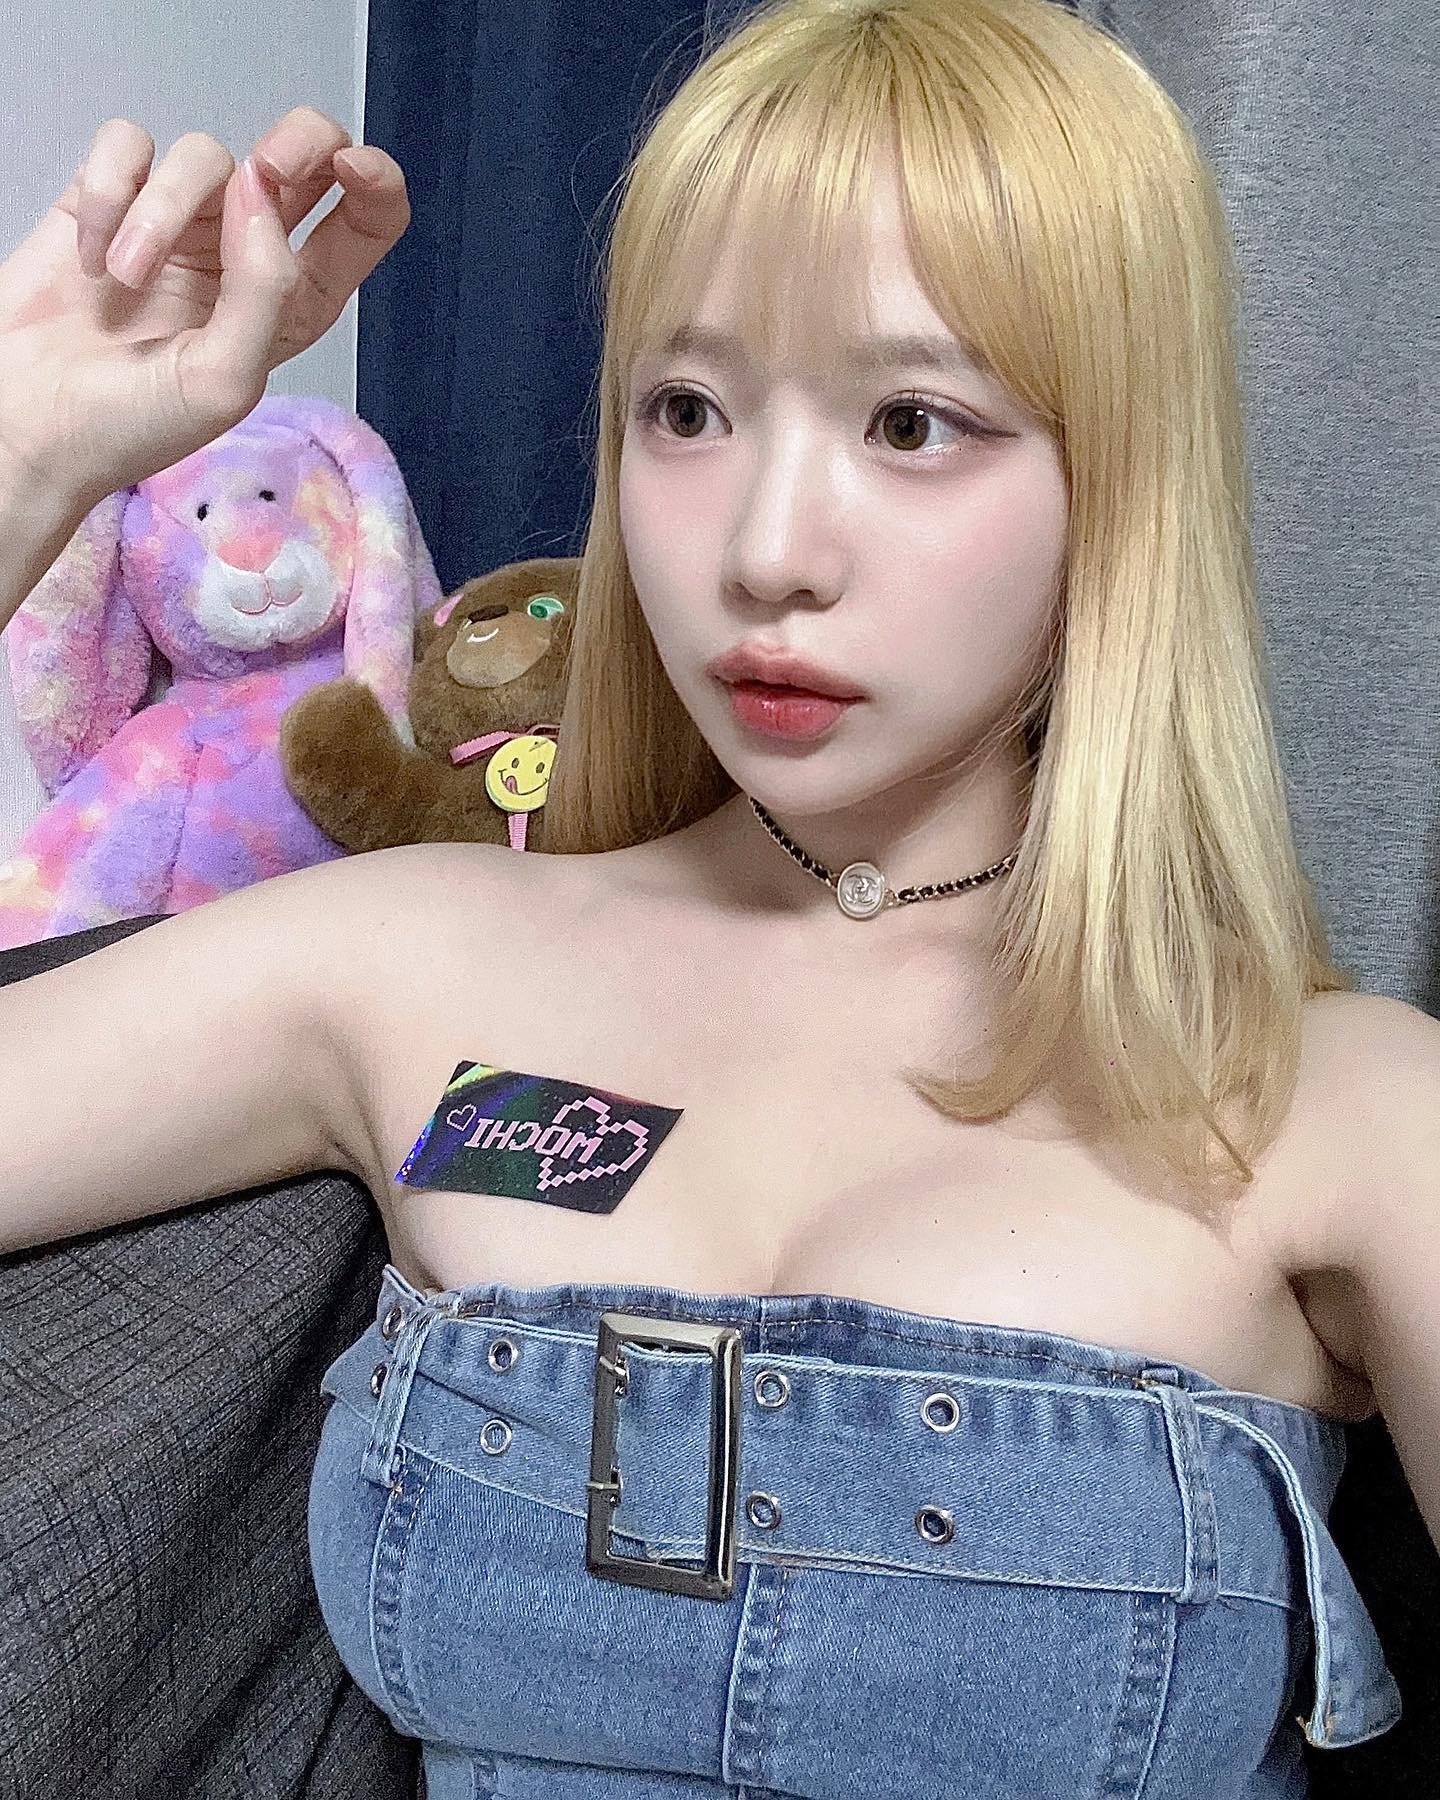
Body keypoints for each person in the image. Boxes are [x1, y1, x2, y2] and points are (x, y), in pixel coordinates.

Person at [0, 0, 1430, 1792]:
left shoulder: (1340, 1112)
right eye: (688, 410)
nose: (763, 552)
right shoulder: (411, 962)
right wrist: (31, 453)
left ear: (1120, 481)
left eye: (913, 421)